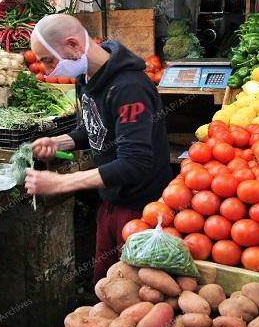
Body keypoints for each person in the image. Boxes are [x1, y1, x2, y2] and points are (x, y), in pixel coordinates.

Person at [25, 14, 173, 281]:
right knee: (106, 285)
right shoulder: (87, 77)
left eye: (48, 60)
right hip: (110, 202)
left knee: (135, 291)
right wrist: (60, 142)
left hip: (142, 208)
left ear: (74, 45)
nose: (47, 71)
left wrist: (62, 183)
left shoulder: (129, 88)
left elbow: (134, 162)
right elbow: (93, 127)